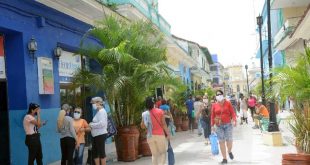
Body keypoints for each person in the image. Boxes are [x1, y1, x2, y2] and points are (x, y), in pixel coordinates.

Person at [141, 97, 170, 165]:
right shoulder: (160, 111)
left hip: (150, 136)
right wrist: (168, 134)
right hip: (160, 135)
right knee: (163, 153)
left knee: (154, 155)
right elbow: (164, 124)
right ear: (153, 103)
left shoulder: (144, 114)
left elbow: (142, 126)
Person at [211, 90, 237, 164]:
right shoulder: (214, 105)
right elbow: (212, 116)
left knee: (229, 140)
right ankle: (224, 158)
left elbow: (232, 113)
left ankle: (229, 151)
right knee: (221, 141)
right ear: (216, 96)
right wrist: (212, 125)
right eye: (217, 95)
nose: (219, 96)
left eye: (220, 94)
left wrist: (234, 120)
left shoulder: (228, 103)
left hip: (228, 124)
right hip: (219, 125)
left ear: (222, 95)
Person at [89, 97, 108, 165]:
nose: (93, 104)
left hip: (100, 134)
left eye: (93, 103)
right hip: (96, 135)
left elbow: (102, 124)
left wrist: (91, 125)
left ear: (99, 103)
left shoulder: (102, 111)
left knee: (101, 152)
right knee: (95, 153)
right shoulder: (99, 112)